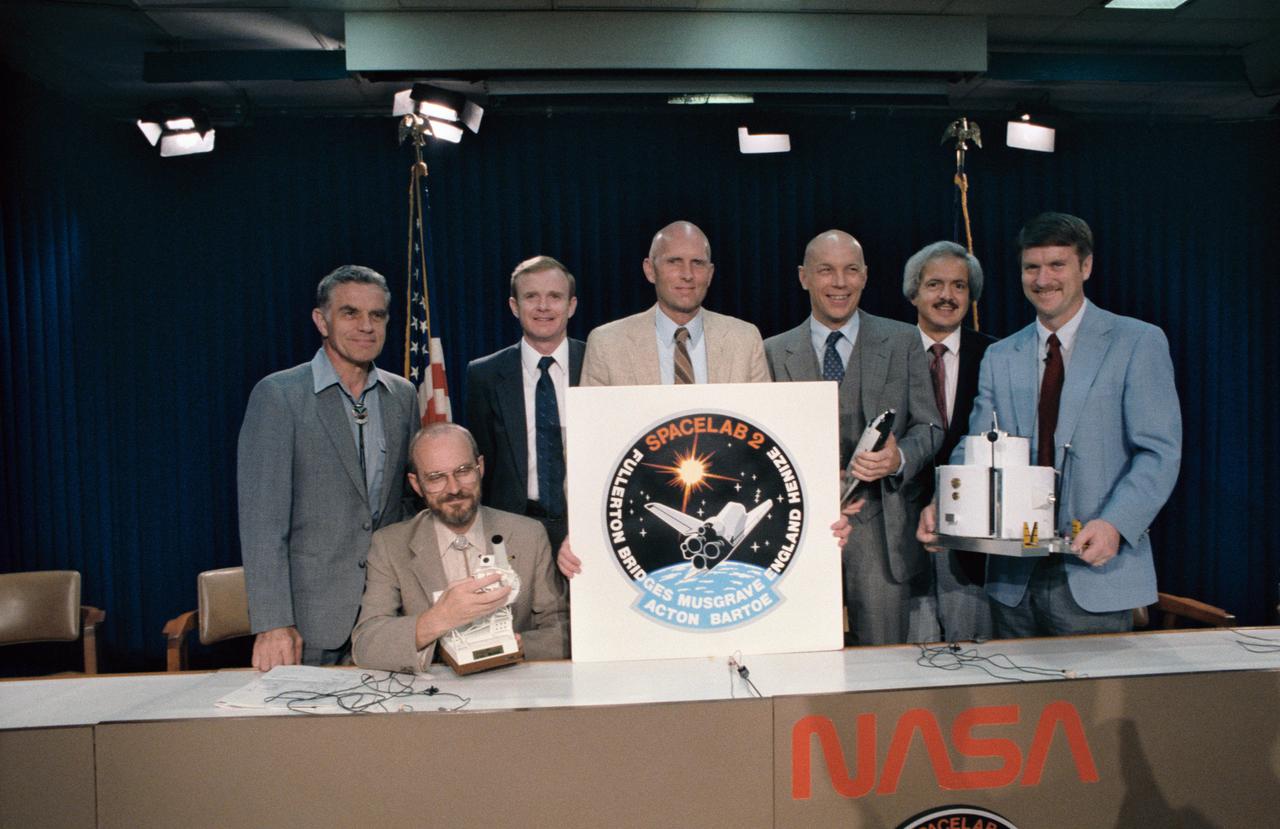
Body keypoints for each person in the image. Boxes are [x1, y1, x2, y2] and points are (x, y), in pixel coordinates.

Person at [918, 212, 1181, 637]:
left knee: (1095, 686)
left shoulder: (1137, 342)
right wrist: (945, 502)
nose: (1043, 280)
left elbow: (1159, 453)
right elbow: (976, 445)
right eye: (1031, 267)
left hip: (1096, 572)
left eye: (1057, 264)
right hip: (1012, 581)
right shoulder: (1000, 356)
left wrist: (1115, 523)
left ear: (1086, 266)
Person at [238, 265, 419, 669]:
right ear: (322, 321)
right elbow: (262, 525)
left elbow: (408, 504)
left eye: (377, 315)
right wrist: (273, 623)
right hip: (309, 621)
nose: (366, 326)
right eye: (350, 313)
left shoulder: (403, 396)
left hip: (386, 615)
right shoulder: (279, 396)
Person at [764, 230, 939, 646]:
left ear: (865, 276)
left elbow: (930, 427)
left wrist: (898, 459)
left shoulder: (903, 340)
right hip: (799, 533)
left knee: (884, 664)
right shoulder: (771, 351)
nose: (839, 282)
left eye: (851, 270)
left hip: (882, 531)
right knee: (804, 658)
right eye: (826, 270)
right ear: (804, 277)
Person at [351, 423, 569, 671]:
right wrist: (440, 618)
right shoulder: (389, 545)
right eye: (436, 478)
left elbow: (563, 630)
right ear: (416, 484)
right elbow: (366, 644)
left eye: (463, 471)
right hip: (436, 691)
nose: (454, 488)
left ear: (480, 467)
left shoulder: (528, 534)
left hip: (512, 686)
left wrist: (516, 647)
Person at [901, 241, 996, 643]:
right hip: (903, 536)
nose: (947, 296)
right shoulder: (889, 352)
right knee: (911, 663)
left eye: (959, 286)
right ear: (914, 293)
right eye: (935, 284)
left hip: (971, 541)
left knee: (976, 659)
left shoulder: (996, 355)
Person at [466, 256, 585, 552]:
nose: (543, 306)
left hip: (586, 524)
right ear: (514, 306)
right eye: (531, 296)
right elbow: (481, 466)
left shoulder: (596, 362)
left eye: (554, 296)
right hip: (512, 529)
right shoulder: (484, 375)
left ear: (571, 305)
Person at [579, 220, 768, 386]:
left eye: (697, 263)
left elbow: (761, 414)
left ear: (710, 274)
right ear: (650, 270)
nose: (687, 274)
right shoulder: (607, 344)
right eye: (674, 262)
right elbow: (594, 416)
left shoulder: (745, 340)